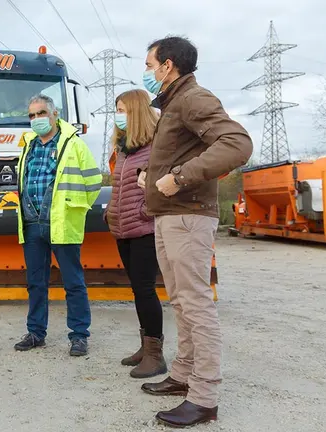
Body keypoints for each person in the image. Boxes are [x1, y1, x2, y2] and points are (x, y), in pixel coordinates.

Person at [138, 36, 253, 428]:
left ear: (168, 66)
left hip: (186, 216)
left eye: (150, 65)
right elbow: (180, 154)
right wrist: (150, 177)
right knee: (182, 301)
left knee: (195, 303)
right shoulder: (174, 104)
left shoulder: (192, 98)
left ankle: (204, 396)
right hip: (170, 214)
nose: (148, 72)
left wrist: (180, 177)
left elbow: (237, 143)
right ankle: (184, 375)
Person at [13, 94, 102, 357]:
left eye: (41, 113)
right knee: (35, 282)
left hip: (61, 223)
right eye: (32, 115)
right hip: (31, 223)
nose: (36, 119)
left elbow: (93, 182)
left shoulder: (73, 144)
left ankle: (79, 335)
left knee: (73, 282)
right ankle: (36, 332)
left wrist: (76, 207)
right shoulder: (28, 145)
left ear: (54, 114)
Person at [104, 89, 167, 379]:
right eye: (116, 110)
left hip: (144, 227)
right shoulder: (123, 148)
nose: (118, 116)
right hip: (122, 227)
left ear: (137, 112)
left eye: (123, 110)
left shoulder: (156, 147)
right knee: (137, 289)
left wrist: (144, 208)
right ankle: (145, 345)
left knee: (144, 289)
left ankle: (155, 355)